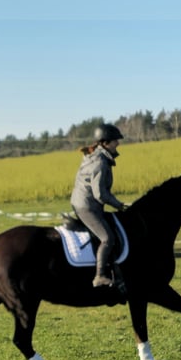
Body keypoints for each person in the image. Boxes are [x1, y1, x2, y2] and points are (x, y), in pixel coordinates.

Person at [71, 123, 127, 287]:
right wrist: (119, 205)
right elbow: (100, 194)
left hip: (83, 202)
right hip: (87, 206)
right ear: (105, 143)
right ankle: (100, 276)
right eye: (115, 141)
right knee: (107, 238)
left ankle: (115, 270)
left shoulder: (95, 157)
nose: (118, 143)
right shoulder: (100, 163)